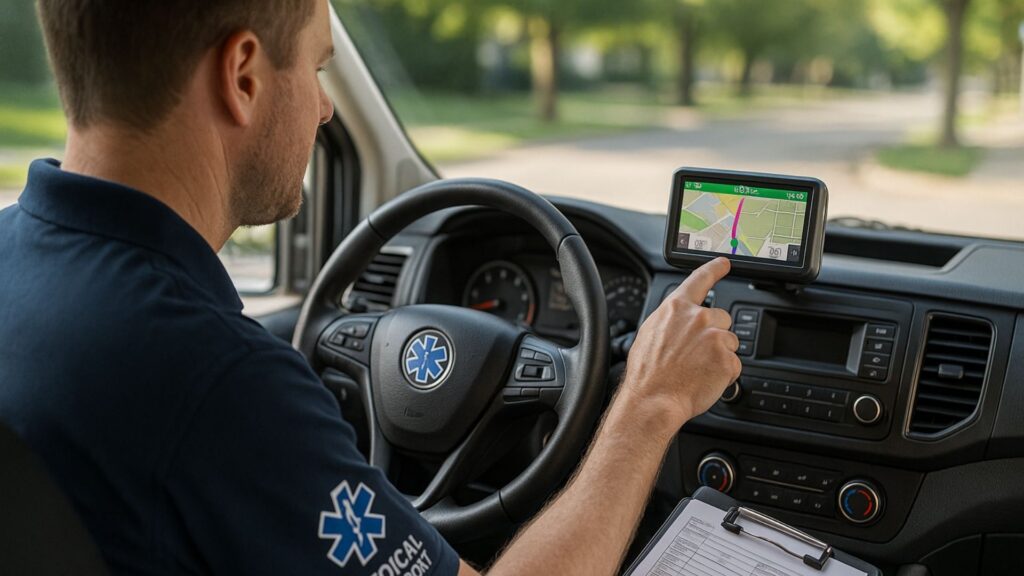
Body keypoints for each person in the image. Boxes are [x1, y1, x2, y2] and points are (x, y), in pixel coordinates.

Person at [0, 0, 741, 574]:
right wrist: (648, 402)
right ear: (244, 75)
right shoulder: (219, 384)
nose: (324, 108)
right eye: (318, 70)